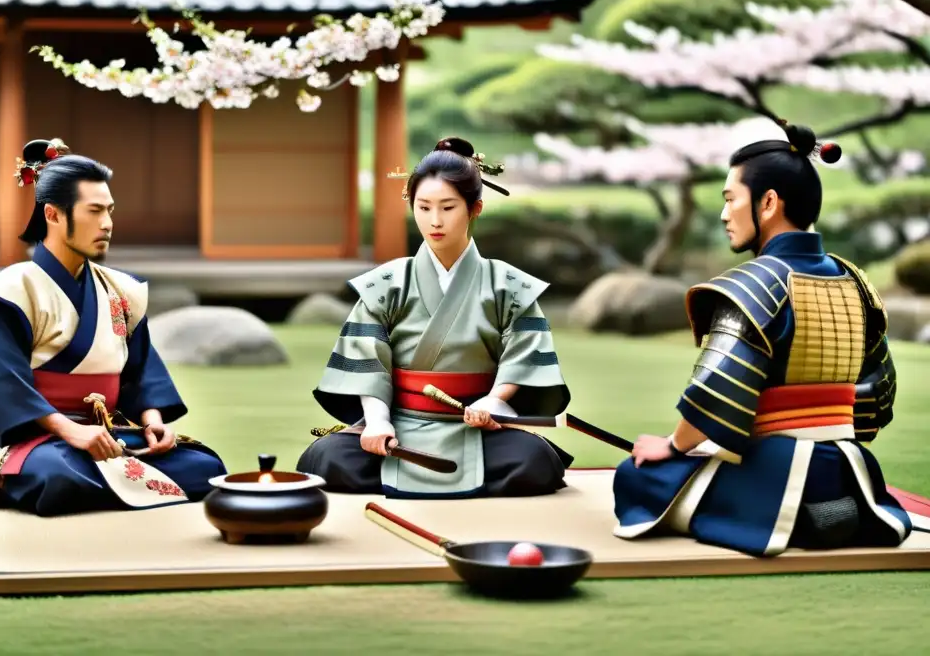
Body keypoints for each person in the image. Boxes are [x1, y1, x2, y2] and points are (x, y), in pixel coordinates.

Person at [611, 122, 911, 557]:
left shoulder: (754, 285)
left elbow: (716, 394)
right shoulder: (856, 282)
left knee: (635, 475)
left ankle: (792, 517)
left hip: (778, 469)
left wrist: (673, 444)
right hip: (851, 467)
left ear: (768, 203)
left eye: (731, 199)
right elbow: (878, 395)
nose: (724, 213)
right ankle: (834, 510)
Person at [0, 139, 226, 516]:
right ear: (53, 215)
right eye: (93, 211)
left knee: (207, 468)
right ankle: (60, 480)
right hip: (42, 439)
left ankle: (113, 482)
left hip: (112, 435)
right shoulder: (8, 292)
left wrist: (153, 422)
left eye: (109, 210)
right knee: (59, 476)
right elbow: (4, 382)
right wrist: (71, 431)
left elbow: (142, 370)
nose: (107, 223)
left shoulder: (119, 290)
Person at [296, 137, 574, 499]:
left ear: (474, 208)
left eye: (448, 207)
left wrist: (495, 402)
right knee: (326, 457)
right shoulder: (388, 283)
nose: (435, 221)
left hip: (475, 424)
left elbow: (525, 355)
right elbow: (366, 361)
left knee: (533, 460)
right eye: (423, 208)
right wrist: (377, 422)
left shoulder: (508, 286)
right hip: (398, 425)